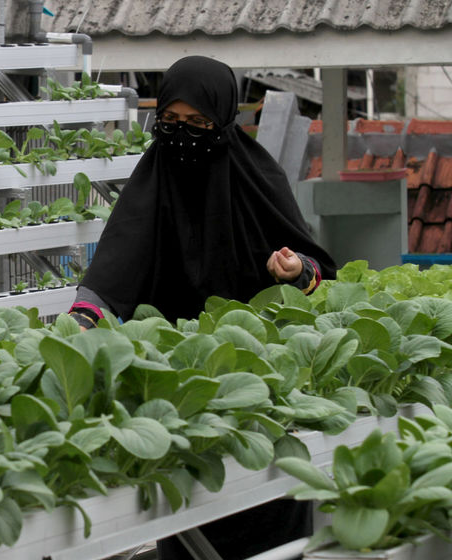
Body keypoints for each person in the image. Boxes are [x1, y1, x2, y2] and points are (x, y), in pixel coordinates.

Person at [69, 56, 337, 559]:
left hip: (262, 383)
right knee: (190, 512)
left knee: (268, 515)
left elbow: (317, 270)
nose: (182, 136)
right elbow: (115, 267)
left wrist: (294, 270)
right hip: (181, 386)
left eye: (197, 124)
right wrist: (84, 315)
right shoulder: (154, 182)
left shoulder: (258, 178)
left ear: (224, 121)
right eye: (170, 122)